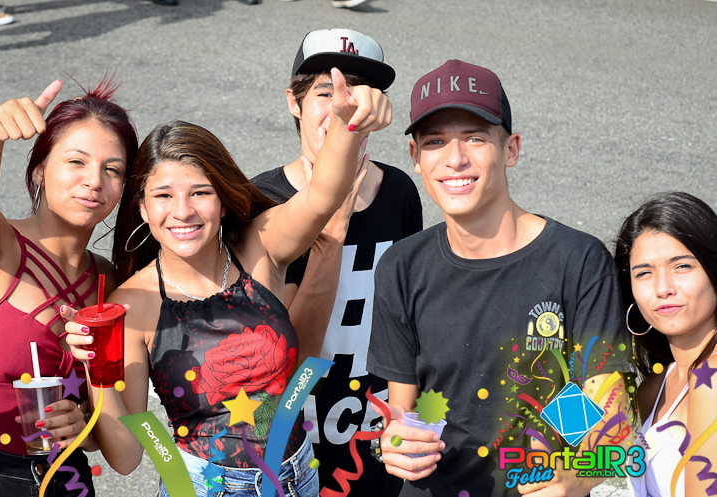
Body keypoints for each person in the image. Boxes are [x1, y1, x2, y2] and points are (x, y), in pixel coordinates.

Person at [62, 68, 391, 497]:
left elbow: (322, 196)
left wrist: (348, 123)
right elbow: (126, 458)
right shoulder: (134, 303)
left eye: (200, 192)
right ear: (142, 208)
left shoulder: (259, 247)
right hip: (198, 487)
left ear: (221, 199)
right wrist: (97, 369)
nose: (182, 211)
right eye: (163, 196)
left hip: (297, 480)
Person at [366, 59, 633, 496]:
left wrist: (574, 474)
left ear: (511, 149)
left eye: (475, 138)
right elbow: (404, 412)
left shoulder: (576, 261)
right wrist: (394, 442)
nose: (455, 159)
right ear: (415, 157)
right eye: (435, 142)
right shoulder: (402, 266)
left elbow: (611, 418)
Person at [252, 28, 420, 496]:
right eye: (326, 92)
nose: (344, 105)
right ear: (294, 101)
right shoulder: (262, 201)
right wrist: (332, 226)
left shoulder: (399, 191)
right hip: (293, 433)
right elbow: (283, 354)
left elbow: (408, 317)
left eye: (359, 92)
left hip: (375, 428)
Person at [0, 78, 138, 495]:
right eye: (76, 161)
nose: (94, 181)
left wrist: (82, 423)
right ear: (40, 168)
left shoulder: (109, 283)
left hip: (65, 481)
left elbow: (108, 422)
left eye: (112, 169)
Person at [614, 192, 717, 497]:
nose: (663, 288)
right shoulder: (655, 388)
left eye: (682, 266)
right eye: (644, 273)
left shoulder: (711, 380)